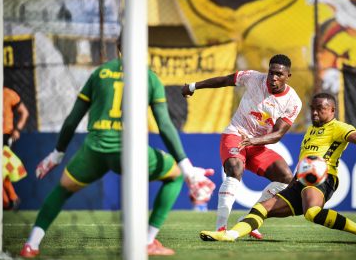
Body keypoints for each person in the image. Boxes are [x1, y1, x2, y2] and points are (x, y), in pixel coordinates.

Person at [20, 53, 215, 257]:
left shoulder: (100, 73)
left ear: (119, 47)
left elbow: (71, 120)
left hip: (95, 150)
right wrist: (188, 170)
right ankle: (147, 241)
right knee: (174, 175)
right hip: (130, 152)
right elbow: (165, 126)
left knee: (63, 189)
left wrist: (57, 154)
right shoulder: (149, 77)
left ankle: (31, 244)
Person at [199, 92, 356, 243]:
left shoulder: (339, 127)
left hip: (322, 178)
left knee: (312, 212)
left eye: (320, 109)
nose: (315, 113)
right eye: (312, 109)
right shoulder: (311, 129)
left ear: (332, 110)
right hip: (301, 179)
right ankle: (230, 235)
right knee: (261, 208)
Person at [182, 54, 302, 238]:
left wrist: (253, 141)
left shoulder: (293, 101)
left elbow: (277, 134)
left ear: (288, 76)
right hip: (235, 134)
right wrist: (194, 86)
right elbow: (225, 80)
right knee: (235, 169)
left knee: (285, 177)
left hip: (257, 144)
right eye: (271, 73)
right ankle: (220, 228)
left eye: (279, 74)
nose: (273, 78)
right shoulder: (254, 78)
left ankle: (247, 221)